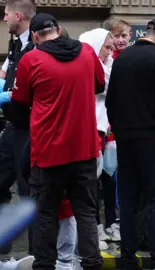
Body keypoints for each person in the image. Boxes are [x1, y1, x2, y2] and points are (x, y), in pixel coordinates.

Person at [11, 12, 105, 269]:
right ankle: (92, 264)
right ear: (59, 29)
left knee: (45, 214)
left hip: (47, 152)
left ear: (34, 36)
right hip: (84, 150)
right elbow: (99, 85)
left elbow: (19, 105)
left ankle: (44, 265)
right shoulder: (86, 52)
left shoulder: (31, 59)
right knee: (86, 212)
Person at [106, 18, 155, 269]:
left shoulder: (122, 58)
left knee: (128, 201)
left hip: (126, 141)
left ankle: (128, 258)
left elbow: (110, 102)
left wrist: (120, 132)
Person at [78, 28, 120, 246]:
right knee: (90, 183)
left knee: (108, 179)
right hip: (88, 130)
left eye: (112, 49)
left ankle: (109, 224)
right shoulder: (84, 66)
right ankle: (92, 228)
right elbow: (104, 86)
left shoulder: (110, 67)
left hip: (107, 131)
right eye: (107, 48)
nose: (110, 53)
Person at [0, 0, 36, 254]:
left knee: (28, 192)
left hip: (30, 129)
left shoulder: (36, 45)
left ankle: (36, 255)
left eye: (5, 14)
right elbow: (7, 76)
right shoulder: (16, 45)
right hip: (12, 127)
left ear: (18, 15)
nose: (4, 19)